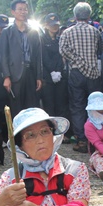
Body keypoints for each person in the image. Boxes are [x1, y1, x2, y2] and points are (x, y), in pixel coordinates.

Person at [59, 2, 103, 154]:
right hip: (93, 74)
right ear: (89, 16)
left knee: (77, 106)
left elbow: (62, 50)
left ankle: (82, 140)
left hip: (77, 73)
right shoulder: (95, 31)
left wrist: (77, 60)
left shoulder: (67, 32)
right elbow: (100, 49)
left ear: (75, 16)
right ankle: (97, 139)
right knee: (94, 106)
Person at [0, 0, 42, 116]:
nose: (23, 12)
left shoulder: (33, 32)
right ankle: (18, 134)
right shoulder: (7, 32)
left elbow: (38, 56)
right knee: (17, 107)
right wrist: (6, 77)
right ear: (13, 12)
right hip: (15, 74)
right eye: (20, 9)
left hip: (31, 72)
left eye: (25, 9)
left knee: (32, 106)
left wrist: (39, 76)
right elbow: (4, 56)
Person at [41, 13, 70, 142]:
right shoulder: (41, 39)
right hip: (47, 77)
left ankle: (61, 133)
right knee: (49, 106)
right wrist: (52, 71)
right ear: (46, 25)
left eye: (56, 25)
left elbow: (61, 56)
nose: (54, 27)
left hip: (60, 76)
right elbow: (43, 58)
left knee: (61, 105)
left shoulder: (60, 39)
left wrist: (58, 70)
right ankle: (50, 132)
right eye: (52, 25)